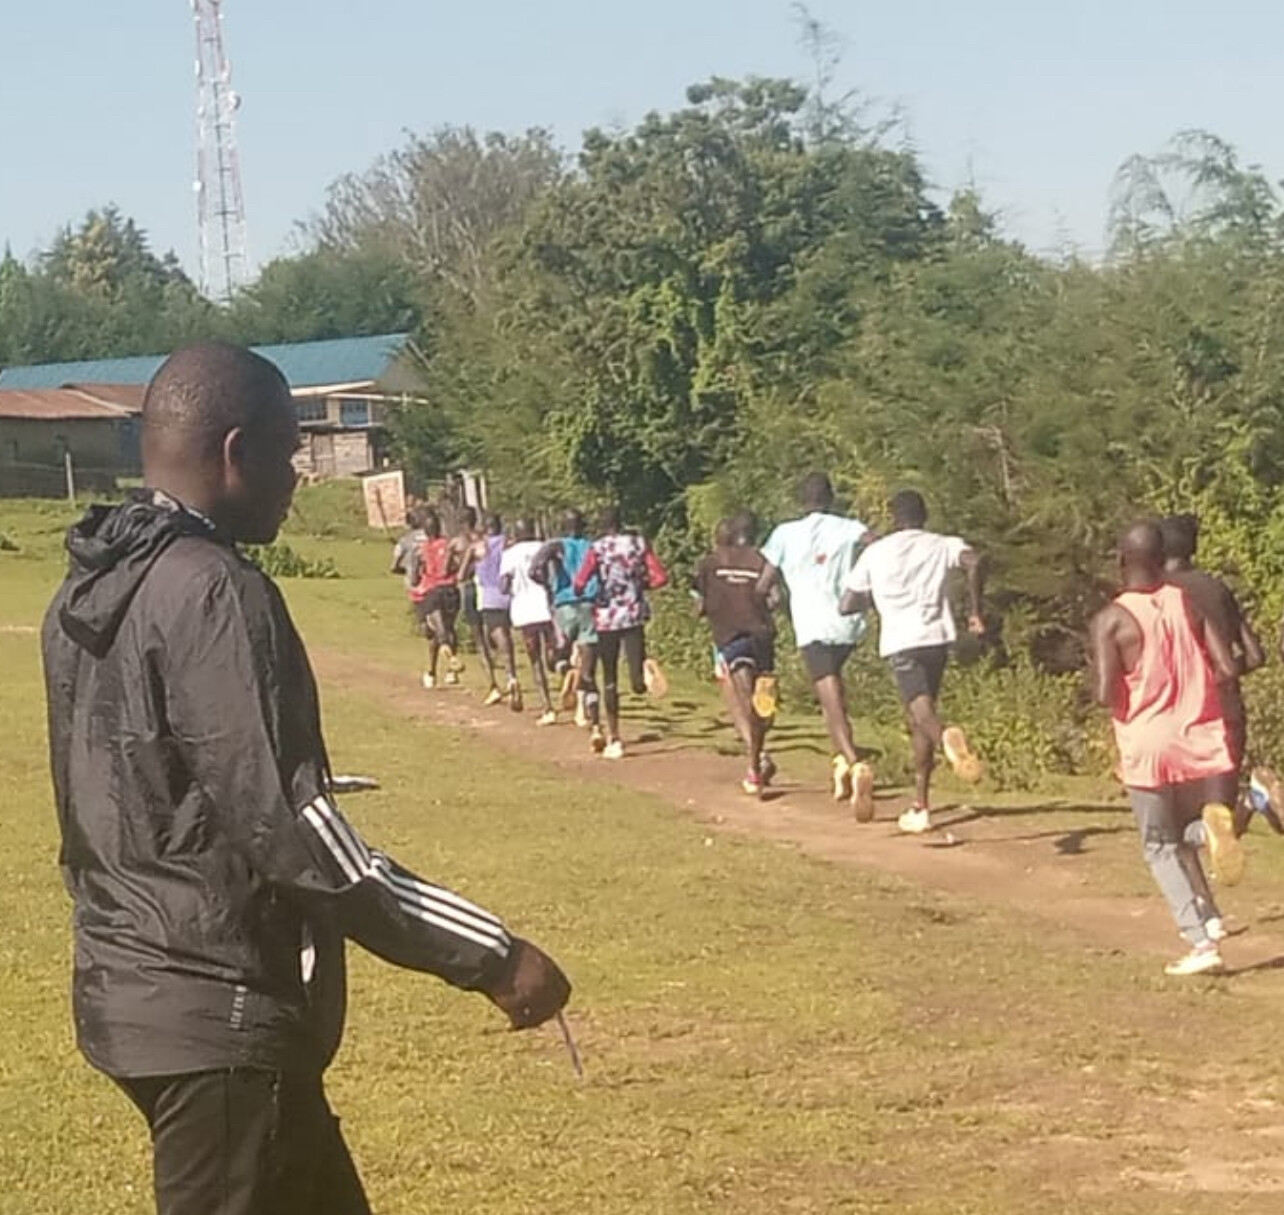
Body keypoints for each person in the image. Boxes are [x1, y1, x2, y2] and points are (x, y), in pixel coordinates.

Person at [40, 341, 571, 1215]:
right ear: (235, 452)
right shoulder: (216, 591)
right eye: (288, 454)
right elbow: (293, 829)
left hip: (131, 991)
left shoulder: (89, 589)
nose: (297, 477)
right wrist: (490, 953)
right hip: (219, 1008)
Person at [1090, 520, 1244, 977]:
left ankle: (1200, 942)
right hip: (1198, 735)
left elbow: (1105, 693)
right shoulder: (1187, 601)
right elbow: (1227, 667)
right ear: (1162, 559)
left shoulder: (1111, 619)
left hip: (1148, 743)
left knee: (1158, 845)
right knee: (1184, 833)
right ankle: (1236, 813)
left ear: (1121, 559)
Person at [840, 490, 986, 834]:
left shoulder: (876, 551)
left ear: (893, 517)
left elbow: (847, 603)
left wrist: (877, 600)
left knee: (921, 710)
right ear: (925, 515)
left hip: (901, 640)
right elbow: (975, 562)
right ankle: (920, 805)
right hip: (937, 637)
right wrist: (976, 610)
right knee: (920, 715)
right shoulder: (942, 544)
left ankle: (946, 739)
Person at [759, 472, 874, 818]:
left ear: (801, 500)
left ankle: (854, 762)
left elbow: (764, 582)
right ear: (831, 497)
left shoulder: (784, 533)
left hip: (812, 625)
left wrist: (775, 599)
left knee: (830, 697)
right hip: (849, 623)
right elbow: (876, 543)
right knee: (832, 696)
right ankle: (839, 762)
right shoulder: (849, 527)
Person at [1158, 514, 1278, 835]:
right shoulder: (1218, 588)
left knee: (1184, 829)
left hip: (1176, 716)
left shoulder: (1157, 594)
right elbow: (1255, 655)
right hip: (1225, 707)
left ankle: (1253, 800)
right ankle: (1253, 799)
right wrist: (1216, 674)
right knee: (1217, 827)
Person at [572, 506, 669, 759]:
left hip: (606, 618)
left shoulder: (597, 548)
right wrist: (640, 585)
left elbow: (580, 582)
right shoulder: (638, 544)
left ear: (602, 526)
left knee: (609, 678)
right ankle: (643, 673)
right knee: (636, 682)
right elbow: (660, 577)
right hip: (634, 614)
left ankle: (614, 737)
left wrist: (585, 592)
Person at [694, 510, 779, 797]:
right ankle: (758, 752)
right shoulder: (764, 561)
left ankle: (756, 763)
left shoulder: (712, 563)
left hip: (729, 637)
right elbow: (775, 599)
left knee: (739, 696)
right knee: (759, 697)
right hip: (762, 637)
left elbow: (699, 604)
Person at [533, 508, 599, 726]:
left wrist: (547, 585)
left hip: (564, 604)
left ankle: (566, 670)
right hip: (589, 603)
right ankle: (583, 712)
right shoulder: (592, 546)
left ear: (563, 526)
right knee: (587, 664)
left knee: (557, 654)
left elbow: (534, 569)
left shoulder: (556, 545)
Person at [458, 512, 521, 709]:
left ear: (484, 527)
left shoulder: (477, 547)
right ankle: (511, 676)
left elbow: (461, 575)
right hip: (509, 595)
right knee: (505, 636)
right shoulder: (508, 544)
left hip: (488, 596)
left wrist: (475, 567)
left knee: (491, 638)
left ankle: (500, 682)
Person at [501, 519, 558, 726]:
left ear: (516, 533)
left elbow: (503, 585)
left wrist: (509, 587)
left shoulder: (510, 554)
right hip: (547, 607)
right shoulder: (544, 547)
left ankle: (547, 707)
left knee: (535, 661)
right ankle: (561, 668)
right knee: (554, 653)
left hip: (524, 611)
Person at [411, 508, 464, 689]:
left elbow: (414, 578)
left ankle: (437, 666)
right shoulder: (449, 545)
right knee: (449, 628)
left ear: (426, 532)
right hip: (451, 590)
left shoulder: (422, 550)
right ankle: (448, 671)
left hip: (432, 591)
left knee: (436, 632)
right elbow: (456, 565)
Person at [454, 506, 493, 669]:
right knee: (487, 620)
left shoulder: (458, 542)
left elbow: (457, 570)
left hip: (468, 583)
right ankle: (490, 651)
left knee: (475, 624)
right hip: (486, 584)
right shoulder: (484, 539)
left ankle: (484, 655)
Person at [390, 506, 427, 593]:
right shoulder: (433, 537)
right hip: (432, 579)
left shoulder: (404, 540)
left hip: (413, 580)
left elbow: (394, 566)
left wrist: (402, 569)